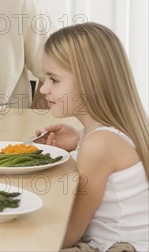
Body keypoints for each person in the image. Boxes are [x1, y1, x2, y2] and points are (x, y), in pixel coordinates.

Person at [34, 23, 148, 251]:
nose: (43, 89)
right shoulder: (108, 133)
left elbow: (69, 232)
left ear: (90, 81)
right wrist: (78, 141)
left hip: (118, 246)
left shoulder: (99, 145)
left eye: (53, 79)